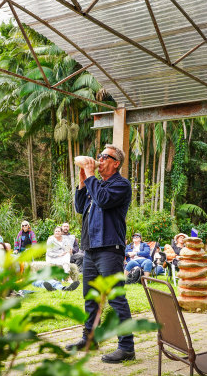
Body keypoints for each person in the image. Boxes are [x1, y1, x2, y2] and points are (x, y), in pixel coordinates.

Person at [67, 144, 135, 363]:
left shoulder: (121, 184)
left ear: (116, 163)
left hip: (109, 250)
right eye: (99, 156)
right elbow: (79, 207)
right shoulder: (97, 184)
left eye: (104, 157)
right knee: (90, 298)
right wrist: (82, 179)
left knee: (116, 299)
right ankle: (90, 339)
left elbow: (104, 200)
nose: (99, 159)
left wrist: (90, 176)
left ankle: (127, 347)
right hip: (90, 250)